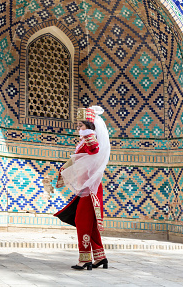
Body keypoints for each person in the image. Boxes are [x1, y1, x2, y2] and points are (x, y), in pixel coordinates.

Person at [45, 106, 110, 270]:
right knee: (90, 223)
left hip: (91, 188)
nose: (78, 129)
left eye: (81, 125)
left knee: (82, 221)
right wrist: (63, 169)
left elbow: (94, 150)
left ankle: (85, 259)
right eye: (78, 126)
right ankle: (100, 257)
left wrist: (88, 133)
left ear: (89, 126)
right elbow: (76, 159)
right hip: (86, 188)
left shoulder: (90, 138)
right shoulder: (83, 141)